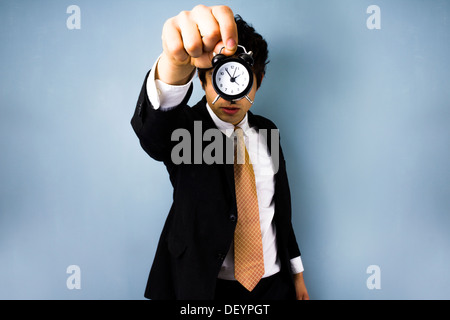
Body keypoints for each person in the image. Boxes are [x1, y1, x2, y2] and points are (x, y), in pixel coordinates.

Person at [131, 4, 309, 300]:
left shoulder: (268, 131)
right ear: (201, 79)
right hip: (206, 288)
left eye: (239, 78)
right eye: (219, 77)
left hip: (274, 285)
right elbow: (154, 137)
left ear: (258, 81)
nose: (229, 93)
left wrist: (297, 274)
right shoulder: (185, 128)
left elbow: (279, 209)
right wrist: (174, 67)